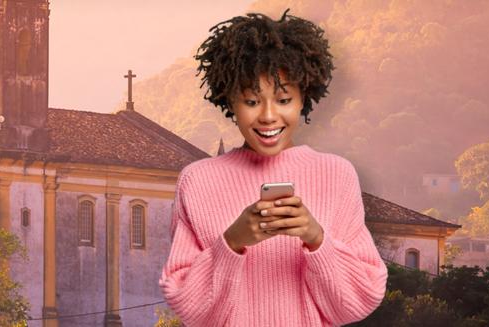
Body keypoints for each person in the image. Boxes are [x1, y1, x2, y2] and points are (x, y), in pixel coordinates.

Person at [157, 10, 387, 326]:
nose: (268, 116)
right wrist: (232, 242)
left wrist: (316, 237)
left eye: (283, 99)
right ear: (230, 100)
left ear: (303, 98)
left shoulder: (337, 175)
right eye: (251, 102)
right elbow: (189, 306)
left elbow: (360, 300)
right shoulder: (197, 180)